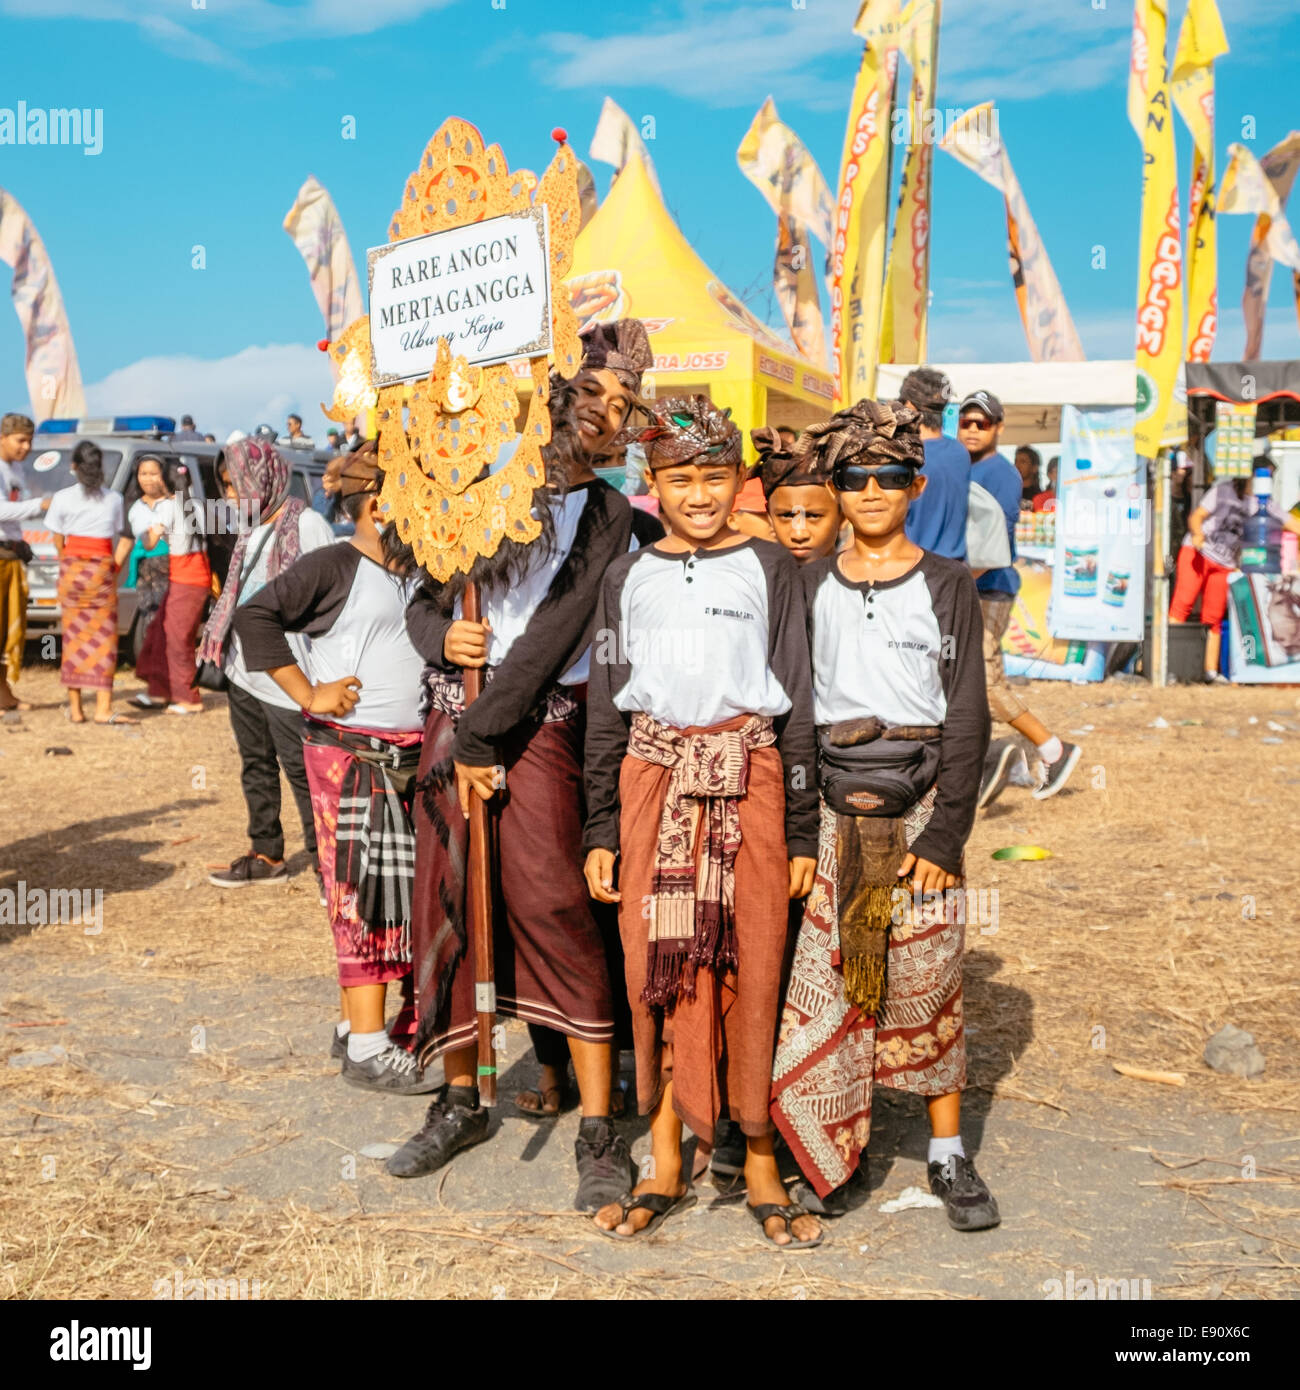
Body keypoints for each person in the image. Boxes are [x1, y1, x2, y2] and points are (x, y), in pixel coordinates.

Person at [386, 323, 653, 1214]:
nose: (608, 417)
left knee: (551, 904)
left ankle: (598, 1127)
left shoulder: (610, 515)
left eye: (623, 405)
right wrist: (442, 636)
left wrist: (481, 740)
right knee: (451, 902)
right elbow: (422, 595)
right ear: (556, 397)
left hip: (533, 728)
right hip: (455, 721)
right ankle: (462, 1098)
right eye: (594, 396)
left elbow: (553, 638)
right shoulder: (477, 485)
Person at [583, 395, 821, 1248]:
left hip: (750, 783)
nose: (697, 494)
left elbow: (798, 702)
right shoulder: (628, 576)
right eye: (680, 478)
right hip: (654, 787)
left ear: (738, 482)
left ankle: (758, 1156)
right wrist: (600, 827)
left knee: (753, 961)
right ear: (654, 482)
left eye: (714, 478)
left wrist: (799, 830)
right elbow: (608, 710)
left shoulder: (771, 569)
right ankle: (664, 1155)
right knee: (657, 967)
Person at [770, 397, 998, 1232]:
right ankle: (834, 1149)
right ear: (836, 486)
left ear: (914, 484)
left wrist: (946, 835)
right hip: (833, 801)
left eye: (888, 477)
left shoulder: (946, 585)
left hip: (923, 801)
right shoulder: (805, 582)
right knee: (828, 982)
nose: (871, 492)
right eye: (855, 478)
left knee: (929, 980)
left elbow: (968, 715)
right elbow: (794, 711)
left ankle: (946, 1154)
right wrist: (801, 823)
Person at [234, 444, 435, 1093]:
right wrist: (307, 692)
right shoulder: (334, 565)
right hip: (351, 755)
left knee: (394, 894)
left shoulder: (421, 569)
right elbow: (252, 617)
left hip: (407, 756)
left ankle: (359, 1028)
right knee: (359, 896)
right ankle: (371, 1050)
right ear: (377, 505)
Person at [200, 439, 335, 888]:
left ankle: (326, 864)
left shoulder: (309, 524)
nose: (230, 496)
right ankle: (267, 853)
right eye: (225, 487)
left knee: (301, 768)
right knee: (255, 763)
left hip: (289, 674)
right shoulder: (249, 527)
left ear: (264, 477)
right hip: (244, 669)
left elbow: (331, 595)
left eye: (236, 485)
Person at [958, 391, 1079, 805]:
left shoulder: (1002, 475)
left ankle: (1053, 750)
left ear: (999, 428)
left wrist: (954, 583)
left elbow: (994, 545)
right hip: (967, 587)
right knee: (970, 682)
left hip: (987, 588)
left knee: (984, 684)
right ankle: (995, 764)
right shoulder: (962, 467)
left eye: (983, 423)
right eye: (967, 421)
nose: (973, 429)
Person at [1171, 459, 1300, 682]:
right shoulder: (1223, 491)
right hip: (1197, 553)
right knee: (1182, 606)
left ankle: (1210, 672)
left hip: (1225, 563)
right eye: (1263, 476)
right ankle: (1169, 665)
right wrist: (1197, 534)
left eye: (1269, 477)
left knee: (1214, 618)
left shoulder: (1267, 505)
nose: (1266, 481)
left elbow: (1293, 525)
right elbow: (1197, 517)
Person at [46, 442, 135, 725]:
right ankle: (103, 708)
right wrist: (113, 567)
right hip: (101, 572)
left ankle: (75, 709)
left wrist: (68, 563)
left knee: (73, 639)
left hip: (72, 571)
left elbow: (58, 540)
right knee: (104, 639)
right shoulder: (114, 499)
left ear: (73, 466)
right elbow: (124, 538)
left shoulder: (61, 498)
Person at [129, 457, 212, 714]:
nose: (151, 480)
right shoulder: (195, 504)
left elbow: (151, 542)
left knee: (177, 639)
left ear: (165, 480)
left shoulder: (167, 506)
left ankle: (188, 698)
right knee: (160, 632)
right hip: (195, 576)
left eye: (156, 475)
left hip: (185, 578)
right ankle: (159, 691)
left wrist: (142, 526)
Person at [0, 412, 51, 712]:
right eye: (20, 440)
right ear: (2, 438)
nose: (26, 446)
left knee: (9, 630)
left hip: (10, 556)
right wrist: (39, 505)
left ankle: (4, 692)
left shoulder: (16, 468)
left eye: (30, 440)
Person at [899, 367, 969, 561]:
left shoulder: (906, 455)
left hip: (913, 570)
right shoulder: (960, 453)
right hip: (955, 569)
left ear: (910, 406)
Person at [754, 426, 840, 565]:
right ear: (769, 517)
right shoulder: (755, 582)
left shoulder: (866, 583)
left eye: (813, 516)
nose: (799, 534)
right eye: (786, 516)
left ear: (842, 517)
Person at [123, 456, 173, 677]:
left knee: (167, 622)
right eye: (143, 474)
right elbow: (127, 541)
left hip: (171, 571)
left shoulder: (174, 504)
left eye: (153, 473)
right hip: (145, 574)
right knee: (149, 618)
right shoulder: (134, 507)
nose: (148, 479)